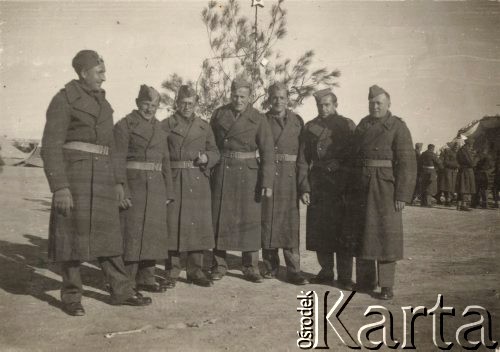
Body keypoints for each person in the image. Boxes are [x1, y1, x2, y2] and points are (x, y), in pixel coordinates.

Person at [40, 50, 151, 316]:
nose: (104, 77)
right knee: (71, 239)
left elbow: (111, 147)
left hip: (102, 177)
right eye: (100, 72)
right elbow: (50, 146)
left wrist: (117, 182)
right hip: (75, 177)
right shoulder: (64, 99)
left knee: (109, 235)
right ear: (83, 73)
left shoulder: (104, 103)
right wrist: (60, 187)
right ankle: (71, 297)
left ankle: (121, 290)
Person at [343, 85, 416, 300]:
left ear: (388, 104)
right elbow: (352, 159)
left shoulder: (398, 127)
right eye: (372, 103)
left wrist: (402, 194)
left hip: (386, 188)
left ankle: (386, 286)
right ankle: (366, 282)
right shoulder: (363, 125)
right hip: (362, 186)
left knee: (386, 235)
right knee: (363, 233)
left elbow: (407, 164)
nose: (375, 106)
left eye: (379, 103)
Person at [210, 76, 275, 283]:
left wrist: (266, 182)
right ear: (230, 94)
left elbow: (267, 152)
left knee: (250, 220)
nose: (238, 100)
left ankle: (250, 266)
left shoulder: (258, 118)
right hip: (224, 171)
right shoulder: (220, 114)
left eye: (243, 97)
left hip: (249, 174)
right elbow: (211, 144)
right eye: (235, 95)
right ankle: (219, 265)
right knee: (220, 218)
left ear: (250, 97)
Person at [113, 85, 174, 293]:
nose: (149, 109)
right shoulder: (124, 125)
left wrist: (169, 191)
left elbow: (166, 160)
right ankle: (126, 281)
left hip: (156, 187)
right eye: (146, 104)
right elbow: (117, 159)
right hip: (135, 184)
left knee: (152, 234)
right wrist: (121, 188)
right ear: (137, 103)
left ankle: (147, 279)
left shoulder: (160, 128)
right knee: (132, 234)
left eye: (154, 106)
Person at [297, 88, 356, 289]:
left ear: (335, 105)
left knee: (343, 230)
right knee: (321, 230)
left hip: (342, 185)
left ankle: (346, 276)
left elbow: (355, 156)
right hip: (319, 184)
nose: (323, 108)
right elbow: (303, 159)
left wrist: (340, 165)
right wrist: (304, 187)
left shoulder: (347, 125)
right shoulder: (310, 127)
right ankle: (326, 271)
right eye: (320, 105)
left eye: (327, 104)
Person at [161, 85, 220, 288]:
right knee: (173, 225)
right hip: (175, 178)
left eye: (191, 103)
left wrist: (207, 157)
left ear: (196, 104)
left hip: (197, 179)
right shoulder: (166, 125)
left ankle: (196, 271)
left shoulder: (204, 126)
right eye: (183, 103)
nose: (187, 106)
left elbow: (215, 151)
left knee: (197, 225)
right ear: (176, 103)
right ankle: (172, 272)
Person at [261, 82, 308, 285]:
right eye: (274, 98)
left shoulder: (297, 121)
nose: (278, 101)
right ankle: (270, 267)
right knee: (268, 221)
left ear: (287, 99)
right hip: (269, 176)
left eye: (282, 98)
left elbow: (303, 157)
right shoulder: (262, 120)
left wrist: (304, 185)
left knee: (290, 225)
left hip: (290, 178)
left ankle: (293, 270)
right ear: (269, 99)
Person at [456, 137, 476, 211]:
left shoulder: (460, 150)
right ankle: (464, 205)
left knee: (461, 187)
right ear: (469, 144)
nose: (472, 146)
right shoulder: (466, 151)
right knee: (466, 187)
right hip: (467, 171)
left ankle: (458, 205)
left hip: (462, 170)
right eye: (472, 144)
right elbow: (471, 163)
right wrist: (476, 158)